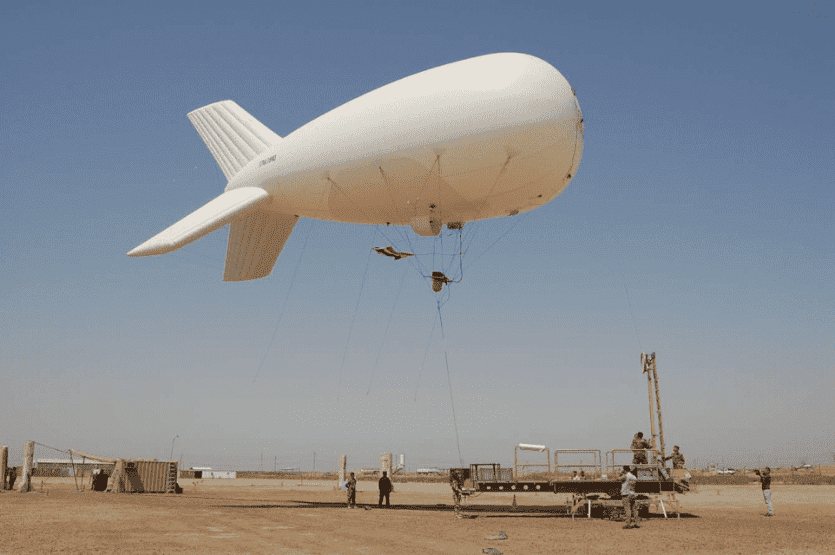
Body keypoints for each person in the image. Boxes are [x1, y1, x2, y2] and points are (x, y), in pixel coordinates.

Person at [620, 465, 639, 529]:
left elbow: (618, 479)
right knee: (634, 509)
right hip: (632, 493)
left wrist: (620, 473)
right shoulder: (633, 477)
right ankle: (636, 523)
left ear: (624, 470)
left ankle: (628, 524)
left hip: (626, 494)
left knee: (627, 509)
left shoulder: (625, 476)